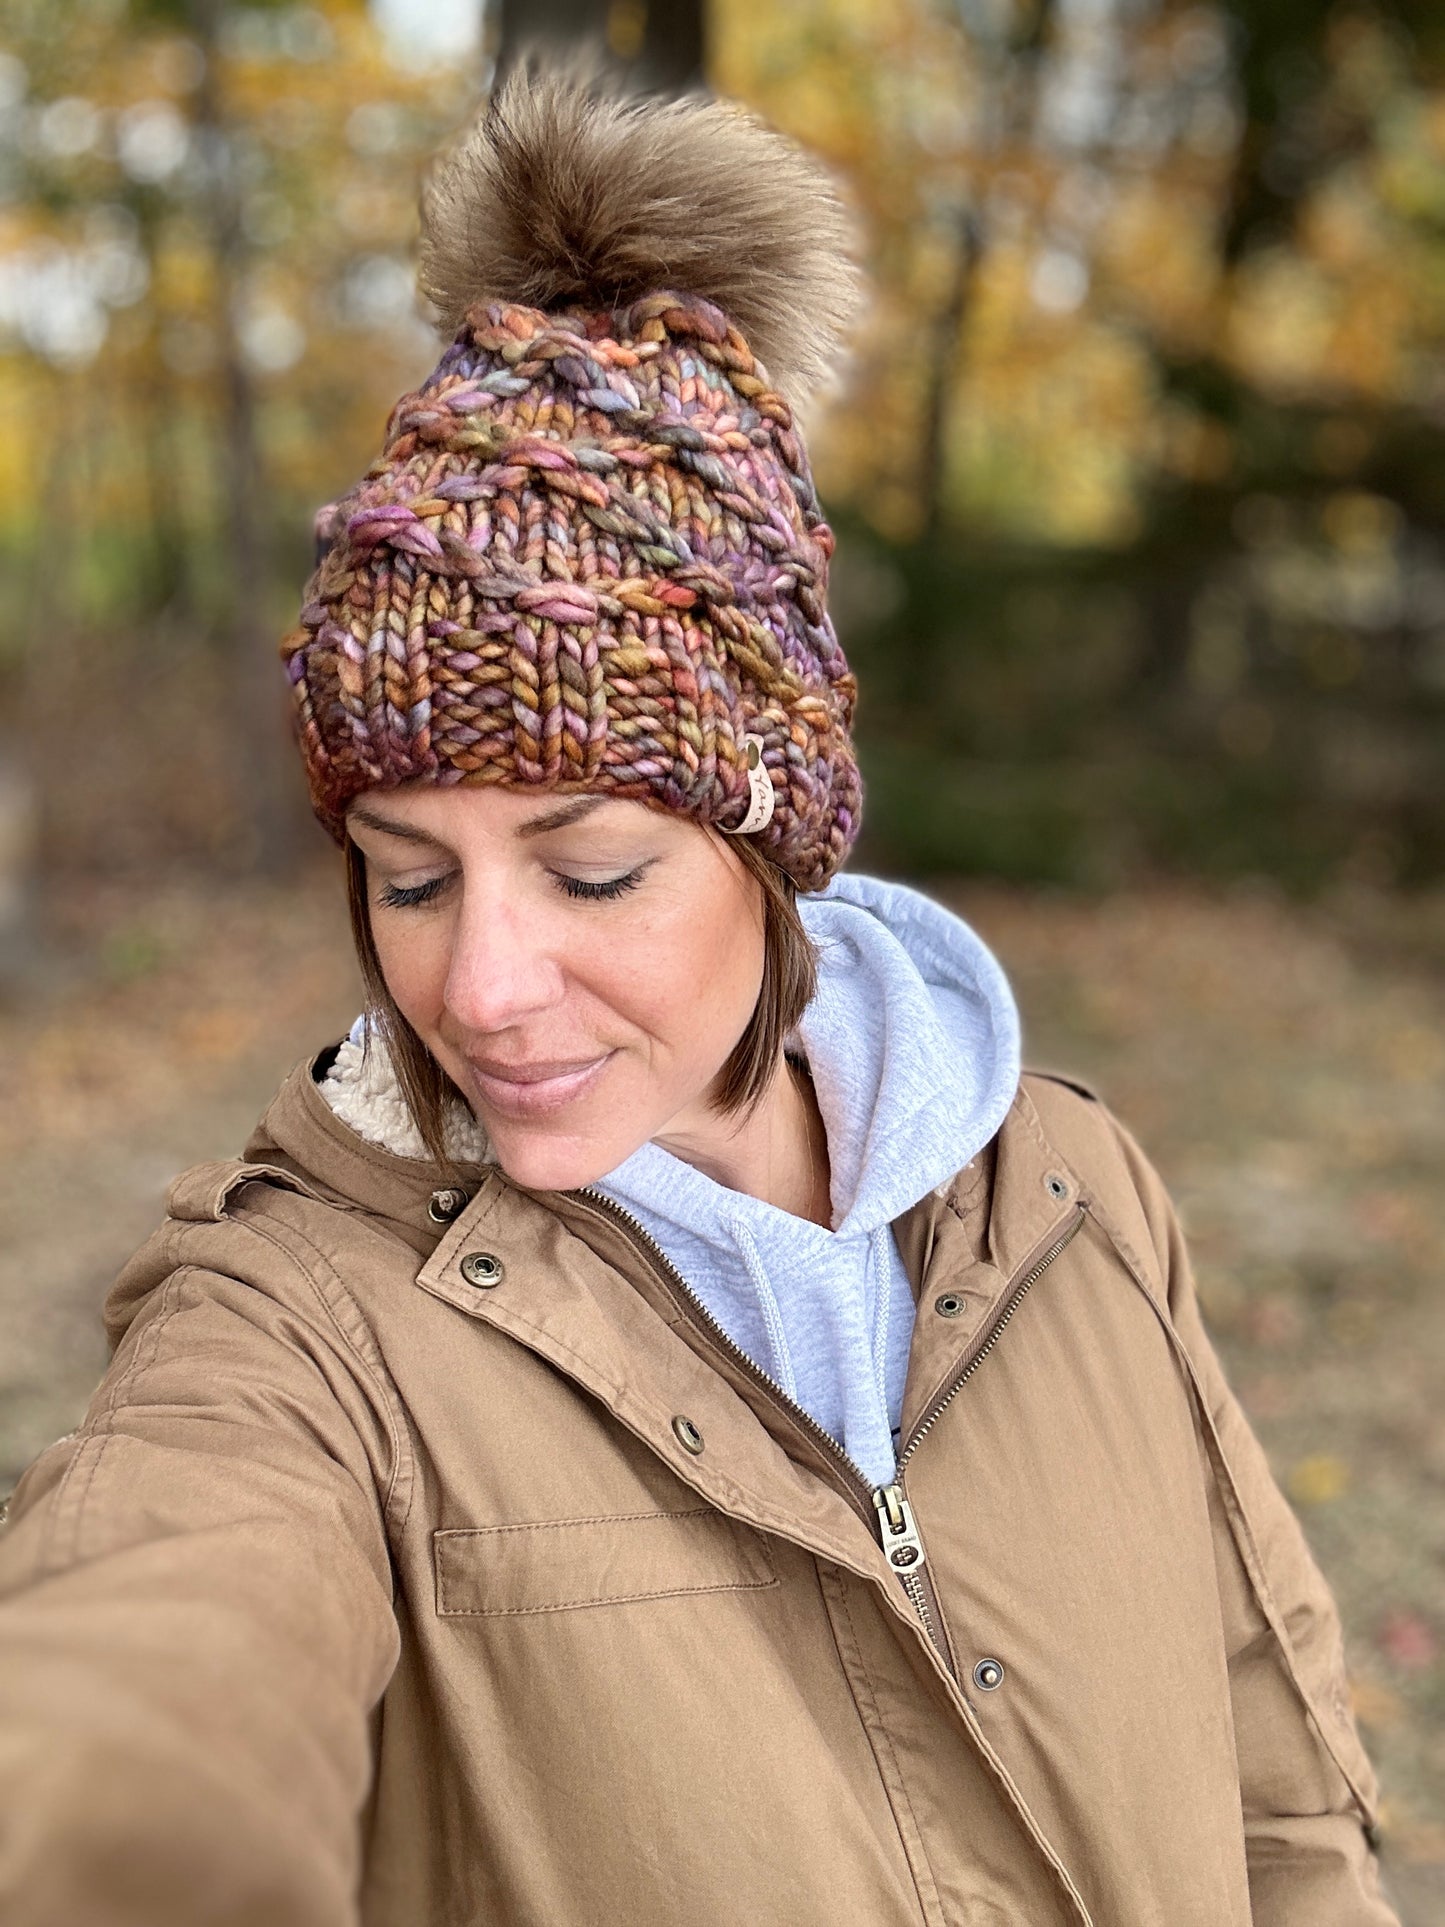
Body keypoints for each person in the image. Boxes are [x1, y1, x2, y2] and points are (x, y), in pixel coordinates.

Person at [0, 56, 1400, 1927]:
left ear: (776, 846)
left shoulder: (1073, 1199)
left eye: (590, 871)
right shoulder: (303, 1335)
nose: (480, 986)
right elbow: (141, 1673)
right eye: (406, 878)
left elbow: (1284, 1820)